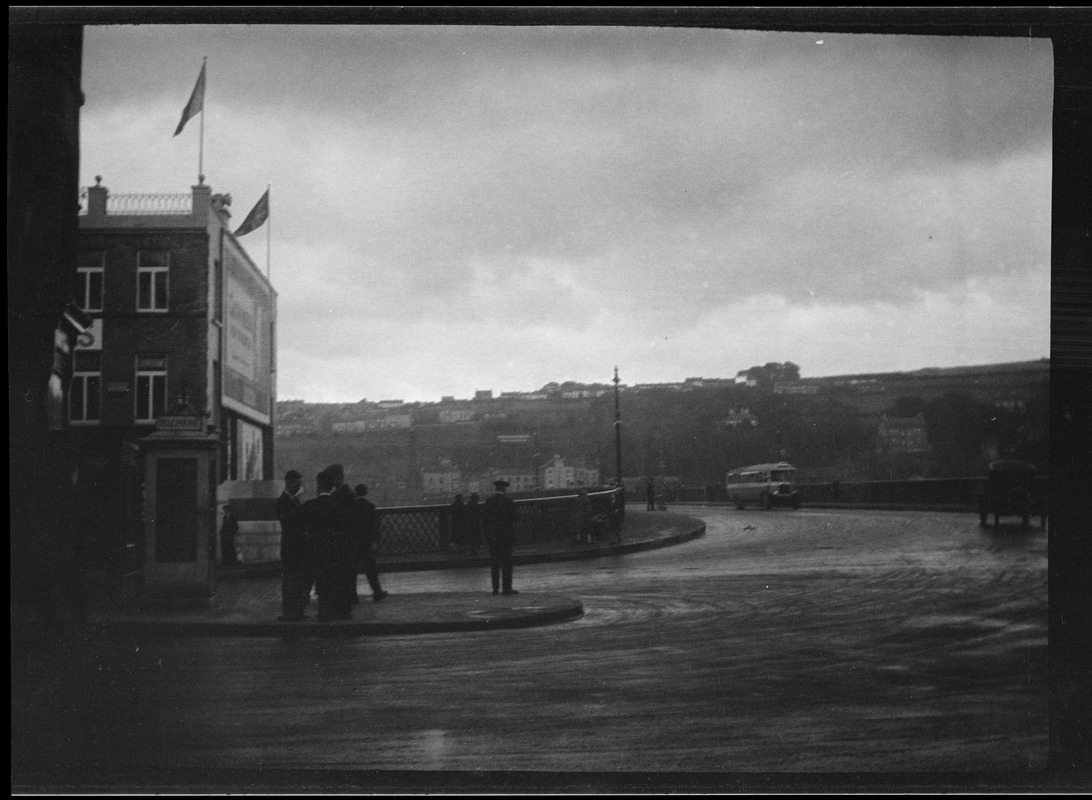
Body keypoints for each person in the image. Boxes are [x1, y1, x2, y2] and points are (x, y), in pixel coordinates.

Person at [304, 470, 352, 621]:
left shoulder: (311, 505)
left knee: (322, 582)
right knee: (337, 581)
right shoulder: (338, 505)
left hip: (318, 550)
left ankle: (323, 611)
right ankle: (339, 611)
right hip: (336, 550)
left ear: (318, 485)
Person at [323, 463, 359, 612]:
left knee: (344, 572)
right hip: (344, 540)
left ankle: (347, 601)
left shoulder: (344, 495)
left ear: (336, 478)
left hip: (343, 540)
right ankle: (348, 598)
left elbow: (346, 520)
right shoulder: (345, 493)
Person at [276, 469, 311, 621]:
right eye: (299, 482)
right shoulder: (283, 501)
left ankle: (295, 611)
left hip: (295, 547)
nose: (301, 486)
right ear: (290, 482)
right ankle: (291, 612)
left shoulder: (292, 500)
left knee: (296, 581)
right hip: (291, 547)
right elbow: (288, 522)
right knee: (291, 581)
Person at [482, 479, 521, 595]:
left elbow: (485, 520)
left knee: (495, 563)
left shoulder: (489, 502)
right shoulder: (509, 502)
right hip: (506, 537)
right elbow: (517, 517)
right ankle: (506, 587)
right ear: (504, 489)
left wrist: (488, 535)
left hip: (493, 537)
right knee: (506, 563)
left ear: (496, 489)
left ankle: (495, 588)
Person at [353, 483, 388, 602]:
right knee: (371, 569)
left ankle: (353, 595)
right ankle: (377, 592)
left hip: (354, 542)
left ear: (356, 493)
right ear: (366, 492)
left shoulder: (352, 506)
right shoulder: (370, 506)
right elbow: (374, 527)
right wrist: (375, 541)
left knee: (352, 570)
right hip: (367, 543)